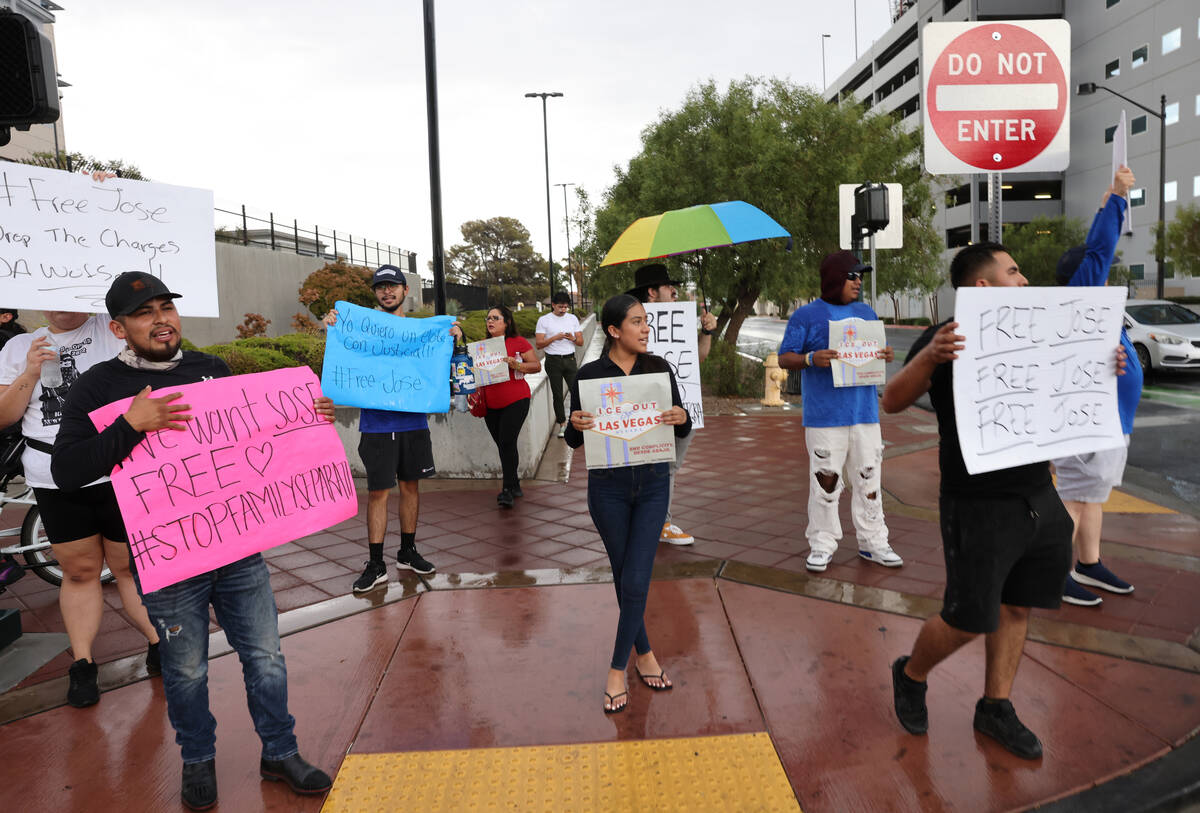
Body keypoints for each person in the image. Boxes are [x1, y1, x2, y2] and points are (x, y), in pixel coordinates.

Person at [51, 272, 334, 809]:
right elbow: (66, 469)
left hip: (237, 548)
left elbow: (255, 439)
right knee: (185, 668)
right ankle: (196, 760)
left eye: (166, 307)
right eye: (144, 313)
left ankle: (280, 751)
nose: (161, 319)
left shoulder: (211, 369)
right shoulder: (97, 386)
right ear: (118, 328)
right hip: (169, 557)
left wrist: (309, 419)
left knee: (267, 657)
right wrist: (131, 424)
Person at [882, 242, 1089, 760]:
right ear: (983, 285)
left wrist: (1102, 363)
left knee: (1018, 606)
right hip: (977, 504)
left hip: (1039, 496)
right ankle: (911, 674)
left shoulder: (1035, 332)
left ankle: (995, 706)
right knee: (970, 616)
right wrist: (930, 356)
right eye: (1014, 271)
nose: (1024, 280)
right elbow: (892, 400)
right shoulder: (945, 337)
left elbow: (1067, 385)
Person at [0, 308, 160, 708]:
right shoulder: (20, 346)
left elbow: (161, 359)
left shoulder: (115, 330)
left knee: (129, 567)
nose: (62, 306)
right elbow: (6, 416)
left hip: (119, 469)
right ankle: (84, 663)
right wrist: (30, 373)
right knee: (80, 571)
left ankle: (160, 644)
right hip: (54, 477)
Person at [565, 294, 691, 713]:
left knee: (636, 579)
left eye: (646, 321)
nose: (645, 328)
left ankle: (617, 668)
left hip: (654, 484)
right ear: (615, 330)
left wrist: (680, 417)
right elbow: (574, 438)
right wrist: (574, 423)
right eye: (636, 322)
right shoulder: (590, 375)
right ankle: (646, 653)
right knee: (625, 577)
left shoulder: (658, 369)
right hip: (608, 490)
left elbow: (681, 421)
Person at [324, 265, 456, 593]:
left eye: (393, 286)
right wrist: (330, 327)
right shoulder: (362, 329)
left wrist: (452, 336)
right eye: (381, 287)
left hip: (413, 424)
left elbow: (438, 365)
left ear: (404, 290)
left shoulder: (419, 332)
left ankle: (408, 552)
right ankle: (376, 563)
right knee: (379, 493)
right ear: (375, 293)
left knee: (411, 488)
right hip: (377, 426)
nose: (387, 292)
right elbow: (342, 353)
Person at [778, 251, 899, 572]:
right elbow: (784, 357)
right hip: (824, 417)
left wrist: (883, 354)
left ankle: (873, 542)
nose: (858, 282)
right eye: (852, 276)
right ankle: (822, 543)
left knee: (869, 481)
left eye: (861, 276)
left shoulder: (867, 313)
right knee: (825, 483)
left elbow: (873, 353)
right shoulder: (806, 316)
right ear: (834, 278)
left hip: (864, 414)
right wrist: (809, 358)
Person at [1052, 165, 1140, 607]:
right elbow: (1099, 249)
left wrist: (1107, 201)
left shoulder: (1098, 307)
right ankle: (1057, 571)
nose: (1105, 275)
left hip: (1108, 424)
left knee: (1091, 496)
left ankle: (1088, 563)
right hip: (1086, 422)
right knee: (1073, 496)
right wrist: (1118, 200)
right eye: (1097, 272)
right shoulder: (1080, 297)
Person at [626, 263, 718, 547]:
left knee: (668, 467)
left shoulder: (677, 321)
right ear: (652, 293)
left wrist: (707, 331)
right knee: (652, 467)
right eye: (668, 287)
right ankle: (658, 523)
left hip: (680, 408)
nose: (674, 291)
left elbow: (699, 357)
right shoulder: (630, 325)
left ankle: (655, 520)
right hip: (645, 409)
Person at [473, 305, 540, 507]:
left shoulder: (517, 342)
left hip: (516, 400)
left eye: (495, 317)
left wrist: (517, 365)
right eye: (488, 318)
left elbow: (536, 366)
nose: (490, 321)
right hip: (491, 404)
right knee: (504, 445)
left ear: (507, 322)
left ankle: (507, 490)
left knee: (506, 442)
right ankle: (515, 483)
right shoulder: (482, 345)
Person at [535, 291, 582, 438]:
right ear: (553, 305)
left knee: (577, 391)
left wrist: (572, 338)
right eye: (560, 307)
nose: (563, 310)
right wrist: (555, 337)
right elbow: (539, 344)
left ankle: (577, 421)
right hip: (553, 360)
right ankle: (562, 425)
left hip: (570, 359)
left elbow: (580, 342)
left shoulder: (572, 318)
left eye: (566, 307)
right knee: (557, 394)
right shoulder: (544, 320)